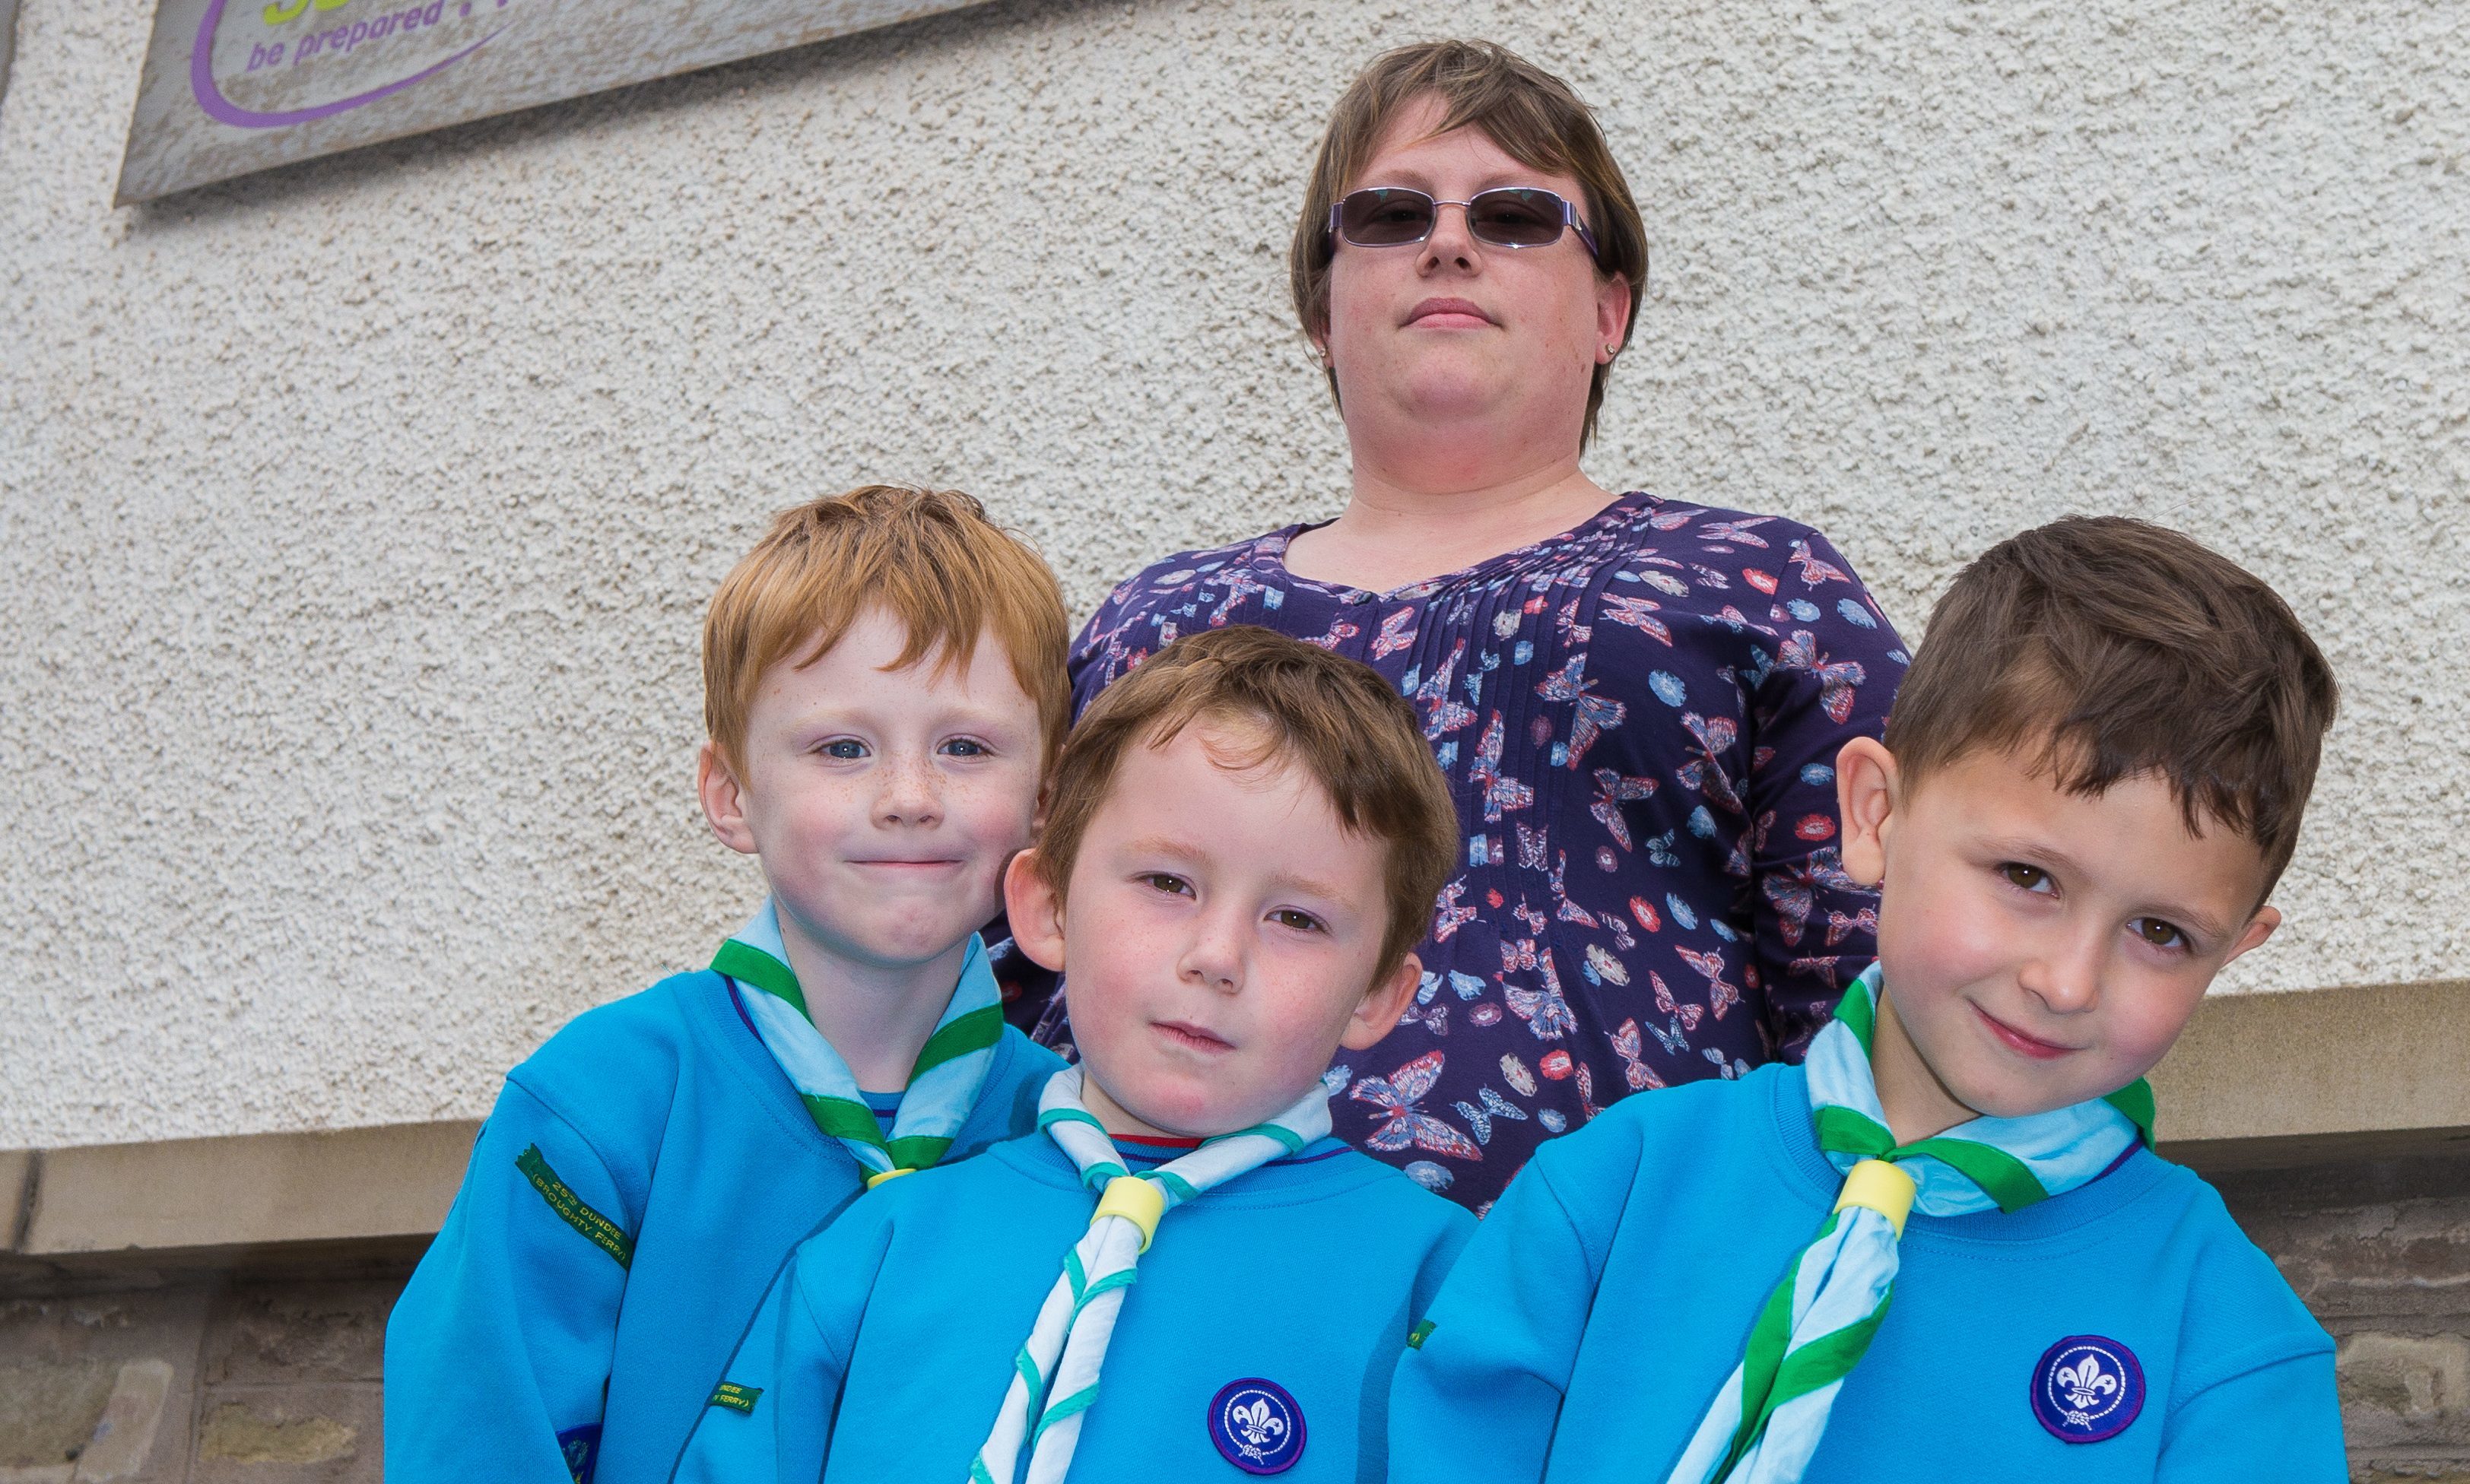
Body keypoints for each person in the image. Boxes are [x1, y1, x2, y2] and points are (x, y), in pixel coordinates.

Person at [1051, 40, 1907, 1213]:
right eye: (1392, 215)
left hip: (1628, 1312)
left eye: (1515, 217)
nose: (1447, 242)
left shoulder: (1758, 587)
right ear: (1320, 312)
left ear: (1610, 311)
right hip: (1169, 1282)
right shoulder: (1162, 622)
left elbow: (1881, 970)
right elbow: (1015, 969)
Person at [1386, 516, 2347, 1482]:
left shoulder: (2225, 1339)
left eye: (2160, 933)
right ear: (1872, 815)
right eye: (2025, 874)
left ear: (2233, 947)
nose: (2066, 982)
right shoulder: (1611, 1190)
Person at [674, 626, 1475, 1484]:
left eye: (1297, 918)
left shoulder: (1439, 1283)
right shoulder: (881, 1243)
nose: (1217, 955)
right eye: (1168, 883)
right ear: (1048, 905)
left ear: (1378, 993)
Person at [384, 487, 1070, 1484]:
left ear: (1043, 801)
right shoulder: (601, 1107)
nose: (911, 799)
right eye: (843, 748)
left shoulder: (1068, 1131)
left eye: (965, 748)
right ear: (730, 795)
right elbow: (478, 1441)